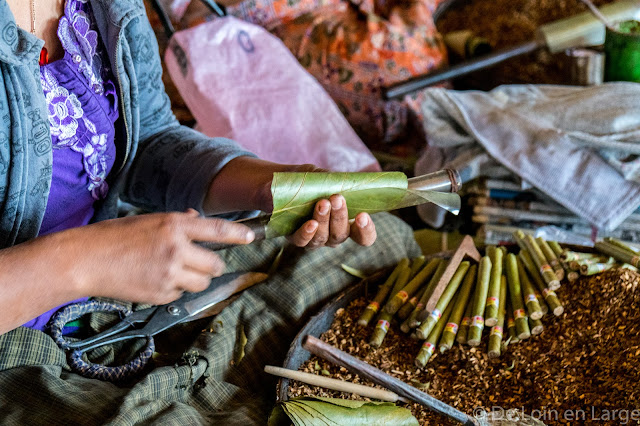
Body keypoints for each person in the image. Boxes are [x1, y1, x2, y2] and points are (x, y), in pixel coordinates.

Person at [0, 0, 420, 423]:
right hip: (16, 335)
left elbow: (149, 138)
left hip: (118, 269)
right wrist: (83, 262)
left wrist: (271, 185)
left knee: (387, 241)